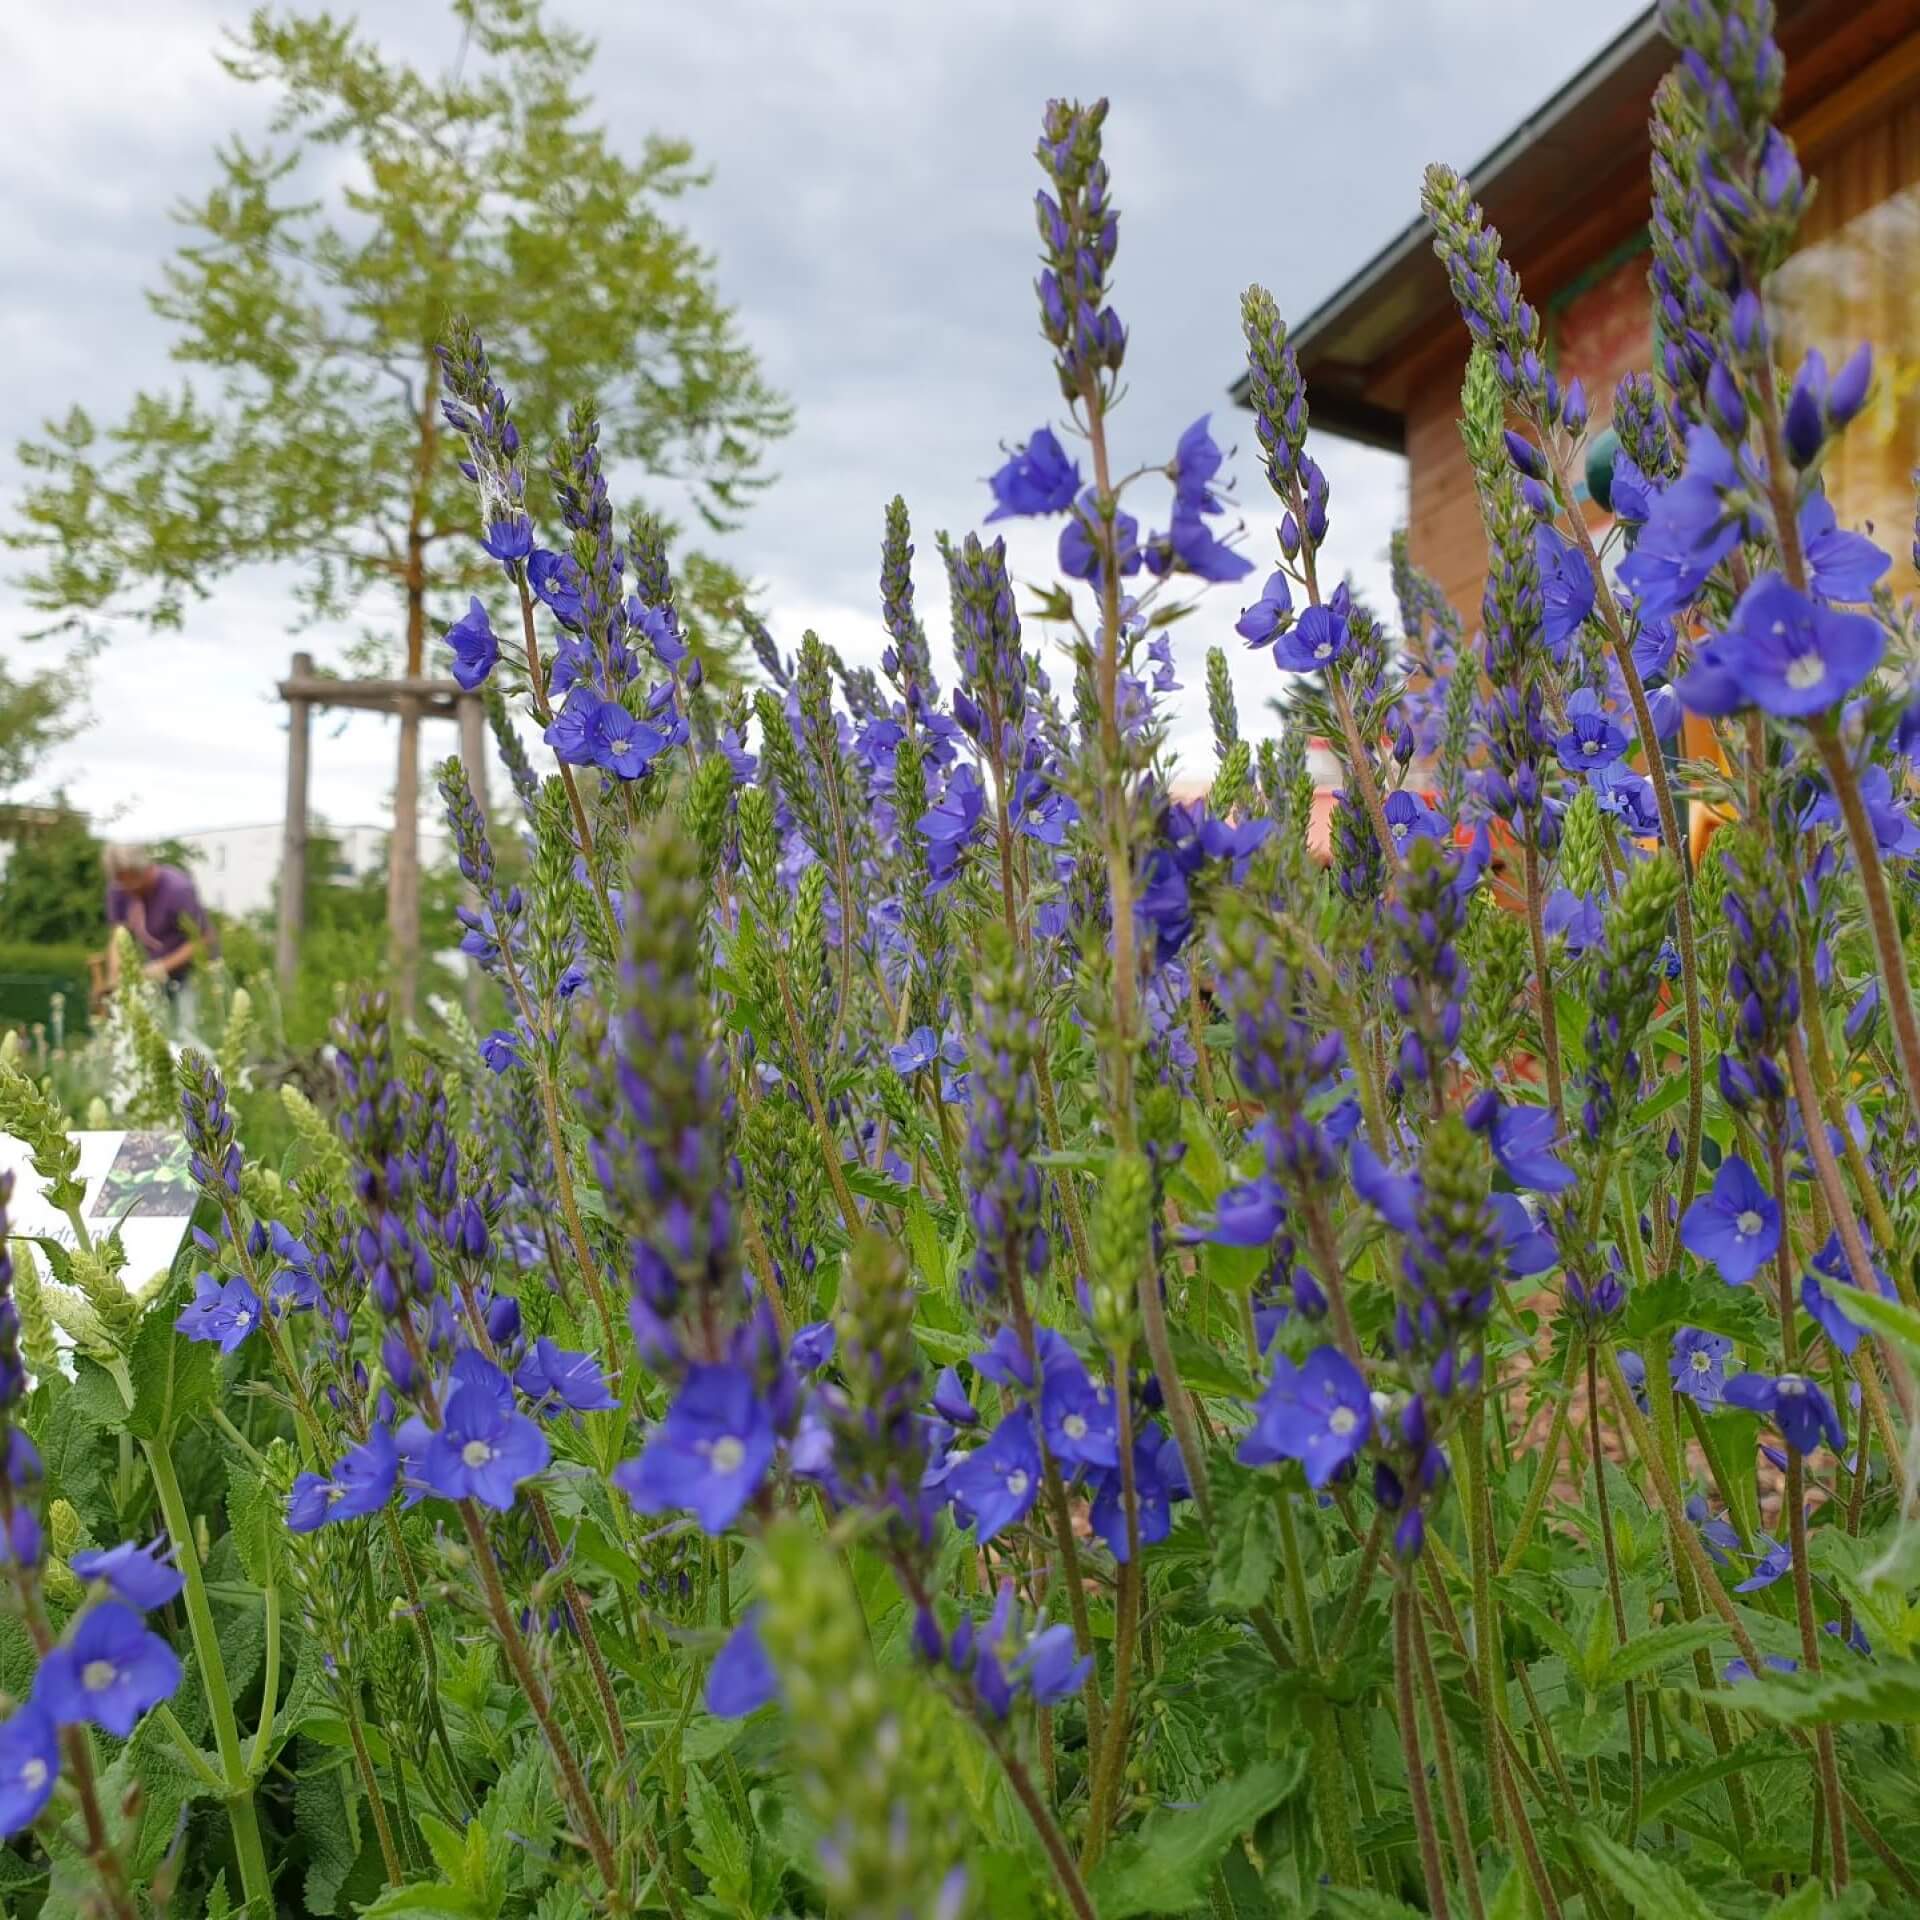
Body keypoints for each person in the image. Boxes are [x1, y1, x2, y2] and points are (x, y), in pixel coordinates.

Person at [103, 843, 217, 1007]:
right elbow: (118, 934)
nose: (127, 889)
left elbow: (203, 938)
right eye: (121, 881)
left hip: (194, 969)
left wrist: (162, 967)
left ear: (146, 869)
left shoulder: (177, 888)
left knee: (188, 1028)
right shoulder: (118, 888)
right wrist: (114, 976)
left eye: (132, 880)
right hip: (156, 972)